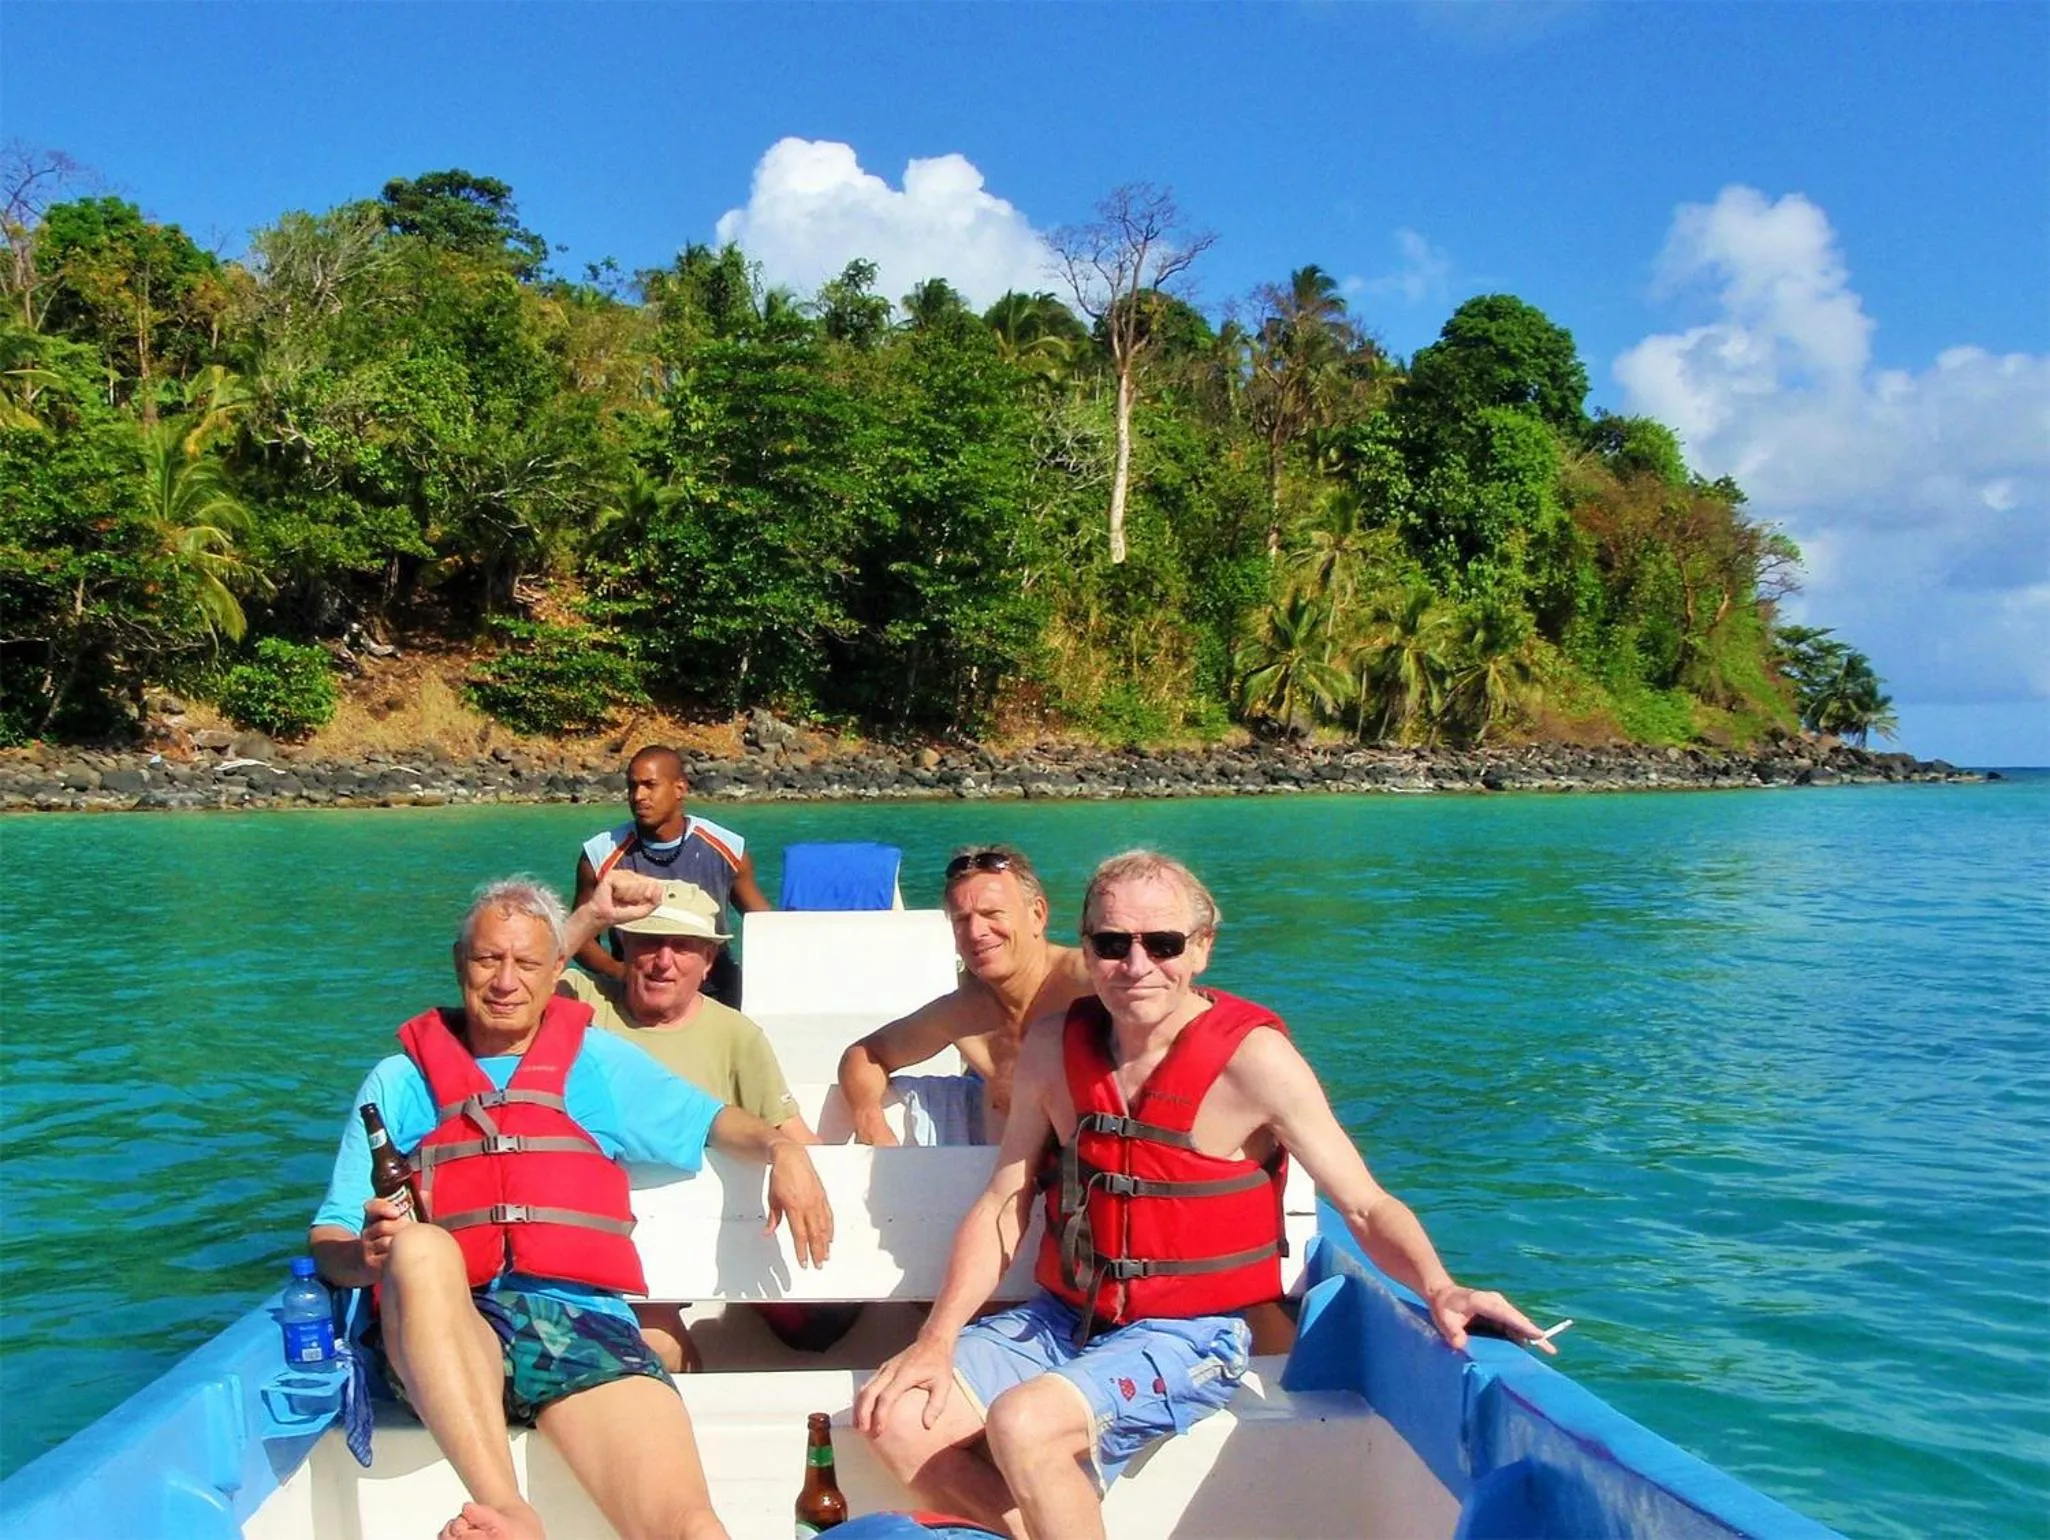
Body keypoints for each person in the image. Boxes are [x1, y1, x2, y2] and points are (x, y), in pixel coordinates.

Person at [853, 851, 1552, 1540]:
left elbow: (1365, 1205)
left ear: (1201, 950)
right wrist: (935, 1342)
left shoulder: (1255, 1062)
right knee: (895, 1414)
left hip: (1191, 1333)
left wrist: (1439, 1286)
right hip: (1067, 1318)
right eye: (1112, 943)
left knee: (1022, 1421)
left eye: (1162, 944)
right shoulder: (1051, 1048)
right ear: (1088, 946)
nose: (1136, 966)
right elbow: (1007, 1198)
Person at [310, 872, 833, 1540]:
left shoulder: (599, 1064)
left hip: (582, 1328)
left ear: (556, 968)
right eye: (487, 959)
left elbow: (711, 1120)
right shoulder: (400, 1081)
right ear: (458, 964)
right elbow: (330, 1242)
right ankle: (508, 1511)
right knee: (419, 1245)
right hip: (450, 1337)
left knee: (692, 1529)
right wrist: (364, 1255)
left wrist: (780, 1148)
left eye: (526, 963)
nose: (505, 981)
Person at [556, 877, 821, 1371]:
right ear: (625, 948)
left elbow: (792, 1130)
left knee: (654, 1342)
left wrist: (802, 1159)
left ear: (708, 963)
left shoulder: (736, 1036)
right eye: (649, 943)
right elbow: (513, 981)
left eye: (682, 948)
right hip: (591, 1237)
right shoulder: (580, 1005)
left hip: (692, 1238)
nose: (663, 961)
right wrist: (590, 916)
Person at [837, 846, 1092, 1147]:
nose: (976, 931)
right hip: (1018, 1175)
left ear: (1037, 914)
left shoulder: (1089, 982)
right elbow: (864, 1055)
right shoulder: (963, 1014)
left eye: (991, 914)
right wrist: (871, 1122)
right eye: (961, 919)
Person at [573, 745, 770, 1008]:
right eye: (632, 787)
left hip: (715, 992)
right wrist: (619, 972)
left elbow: (765, 924)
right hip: (637, 991)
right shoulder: (599, 854)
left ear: (680, 789)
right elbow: (581, 937)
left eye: (649, 785)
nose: (638, 796)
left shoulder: (726, 849)